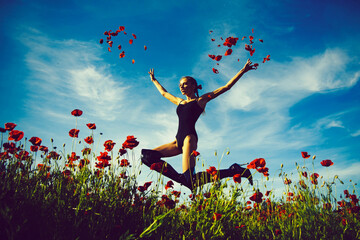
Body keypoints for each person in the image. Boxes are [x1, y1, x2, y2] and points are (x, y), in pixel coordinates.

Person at [141, 59, 256, 191]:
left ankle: (234, 170)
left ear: (193, 86)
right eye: (180, 85)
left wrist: (243, 70)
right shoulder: (180, 102)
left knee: (190, 180)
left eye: (184, 84)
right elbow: (164, 93)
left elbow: (226, 87)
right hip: (177, 141)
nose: (181, 87)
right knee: (147, 157)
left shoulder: (200, 101)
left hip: (189, 139)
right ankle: (184, 178)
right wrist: (154, 80)